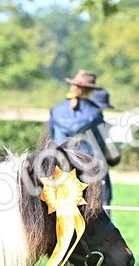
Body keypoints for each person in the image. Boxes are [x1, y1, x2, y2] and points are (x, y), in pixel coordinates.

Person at [48, 70, 119, 205]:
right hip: (89, 171)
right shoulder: (95, 114)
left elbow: (51, 140)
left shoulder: (55, 111)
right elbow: (100, 147)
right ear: (90, 91)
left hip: (59, 170)